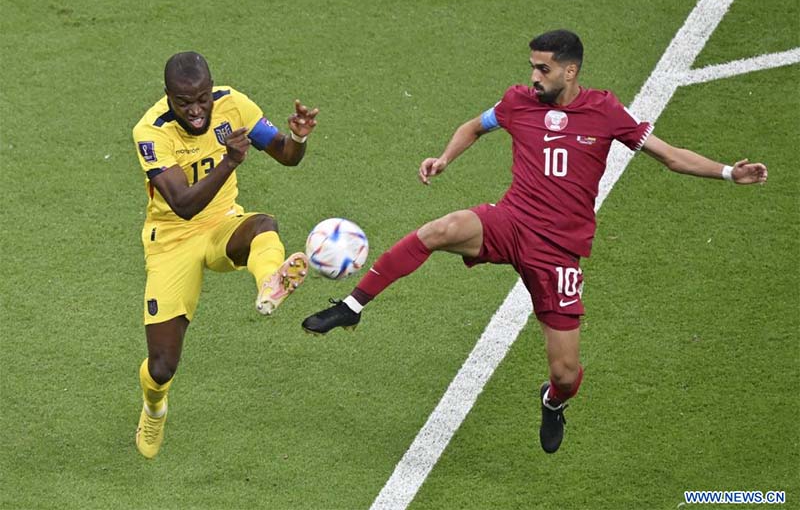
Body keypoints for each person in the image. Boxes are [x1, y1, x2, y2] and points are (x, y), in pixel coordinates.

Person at [301, 30, 768, 454]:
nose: (533, 76)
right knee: (438, 230)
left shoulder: (606, 112)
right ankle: (352, 306)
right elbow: (474, 127)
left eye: (543, 68)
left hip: (559, 252)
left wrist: (728, 172)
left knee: (565, 373)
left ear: (571, 71)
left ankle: (553, 403)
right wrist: (444, 158)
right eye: (532, 67)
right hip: (512, 221)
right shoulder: (517, 102)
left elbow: (670, 157)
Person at [131, 52, 318, 458]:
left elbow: (285, 155)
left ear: (211, 88)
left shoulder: (233, 104)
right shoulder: (151, 132)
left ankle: (272, 280)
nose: (197, 110)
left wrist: (299, 137)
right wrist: (230, 161)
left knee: (263, 224)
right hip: (172, 241)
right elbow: (182, 204)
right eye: (185, 102)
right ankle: (154, 407)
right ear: (168, 98)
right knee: (162, 365)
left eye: (203, 98)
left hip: (222, 225)